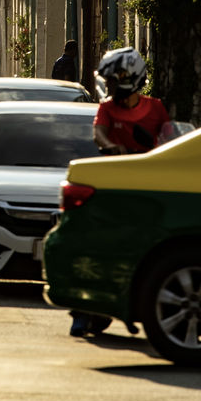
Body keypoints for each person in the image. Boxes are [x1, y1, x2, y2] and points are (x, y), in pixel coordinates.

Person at [70, 46, 170, 338]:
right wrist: (111, 146)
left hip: (147, 187)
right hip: (112, 185)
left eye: (113, 80)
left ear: (129, 78)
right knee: (92, 243)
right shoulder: (106, 109)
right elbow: (98, 133)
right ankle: (82, 309)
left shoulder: (156, 108)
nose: (109, 86)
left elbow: (170, 138)